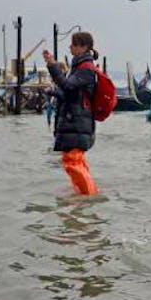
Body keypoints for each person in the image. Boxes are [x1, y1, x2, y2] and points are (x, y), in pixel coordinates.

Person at [43, 31, 99, 195]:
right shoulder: (78, 67)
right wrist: (53, 92)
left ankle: (88, 195)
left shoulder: (86, 69)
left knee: (72, 161)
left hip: (78, 123)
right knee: (76, 161)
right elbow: (70, 93)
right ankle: (83, 194)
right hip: (75, 121)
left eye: (73, 44)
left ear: (84, 47)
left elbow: (67, 86)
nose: (70, 47)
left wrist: (52, 65)